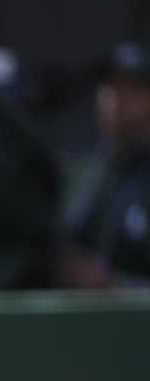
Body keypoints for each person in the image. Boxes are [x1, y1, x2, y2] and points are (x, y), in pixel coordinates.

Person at [61, 42, 150, 289]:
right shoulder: (77, 175)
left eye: (131, 88)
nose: (115, 97)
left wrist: (117, 287)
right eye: (108, 86)